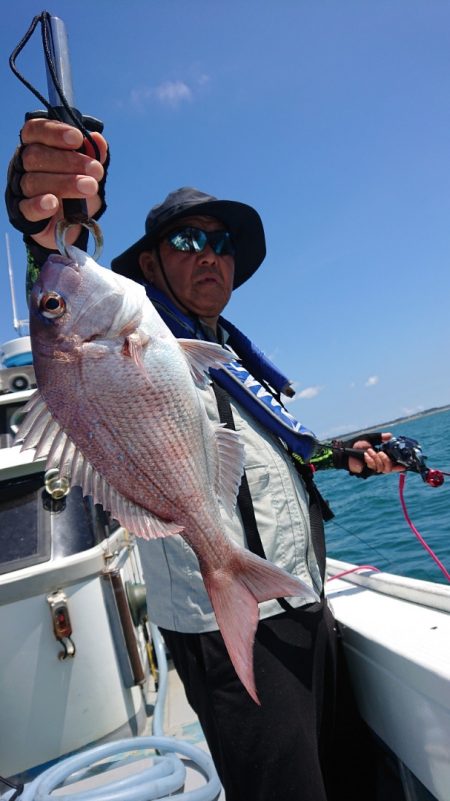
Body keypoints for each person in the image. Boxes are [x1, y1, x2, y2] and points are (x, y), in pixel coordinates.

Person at [6, 119, 402, 801]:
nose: (210, 254)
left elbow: (269, 454)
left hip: (297, 597)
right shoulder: (134, 330)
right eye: (188, 240)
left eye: (221, 243)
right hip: (223, 624)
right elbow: (53, 267)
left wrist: (346, 457)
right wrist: (41, 214)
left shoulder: (233, 357)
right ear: (149, 263)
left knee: (358, 781)